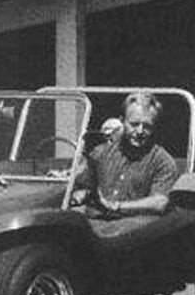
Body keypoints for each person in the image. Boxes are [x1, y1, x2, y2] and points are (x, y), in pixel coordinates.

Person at [71, 90, 178, 219]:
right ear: (122, 121)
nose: (140, 131)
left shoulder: (163, 161)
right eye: (134, 124)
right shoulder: (100, 153)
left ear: (154, 128)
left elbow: (160, 202)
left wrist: (115, 206)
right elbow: (83, 185)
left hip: (132, 231)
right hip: (94, 223)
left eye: (147, 126)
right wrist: (80, 192)